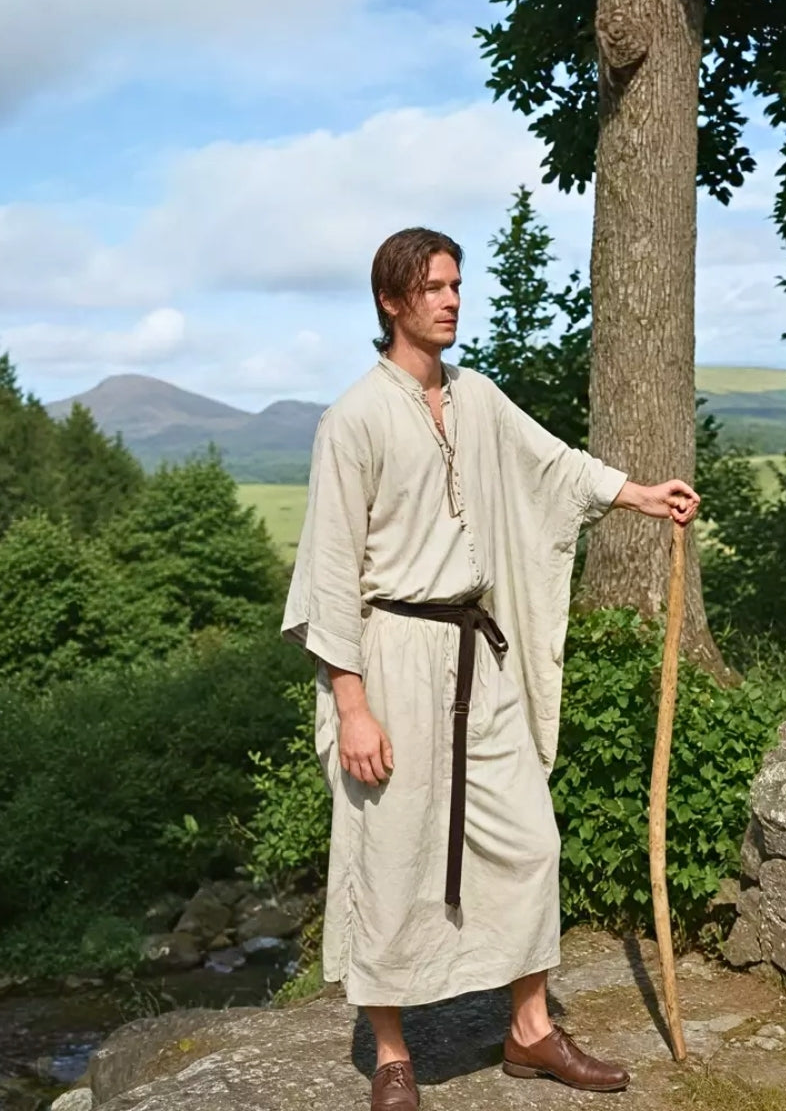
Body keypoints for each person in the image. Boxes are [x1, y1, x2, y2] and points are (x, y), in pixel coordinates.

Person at [282, 227, 700, 1109]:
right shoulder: (353, 418)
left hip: (480, 653)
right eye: (433, 287)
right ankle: (391, 1054)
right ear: (391, 301)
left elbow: (553, 466)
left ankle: (531, 1031)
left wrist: (638, 494)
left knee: (529, 838)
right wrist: (352, 706)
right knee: (390, 850)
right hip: (393, 657)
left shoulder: (475, 397)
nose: (450, 301)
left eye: (455, 285)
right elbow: (329, 574)